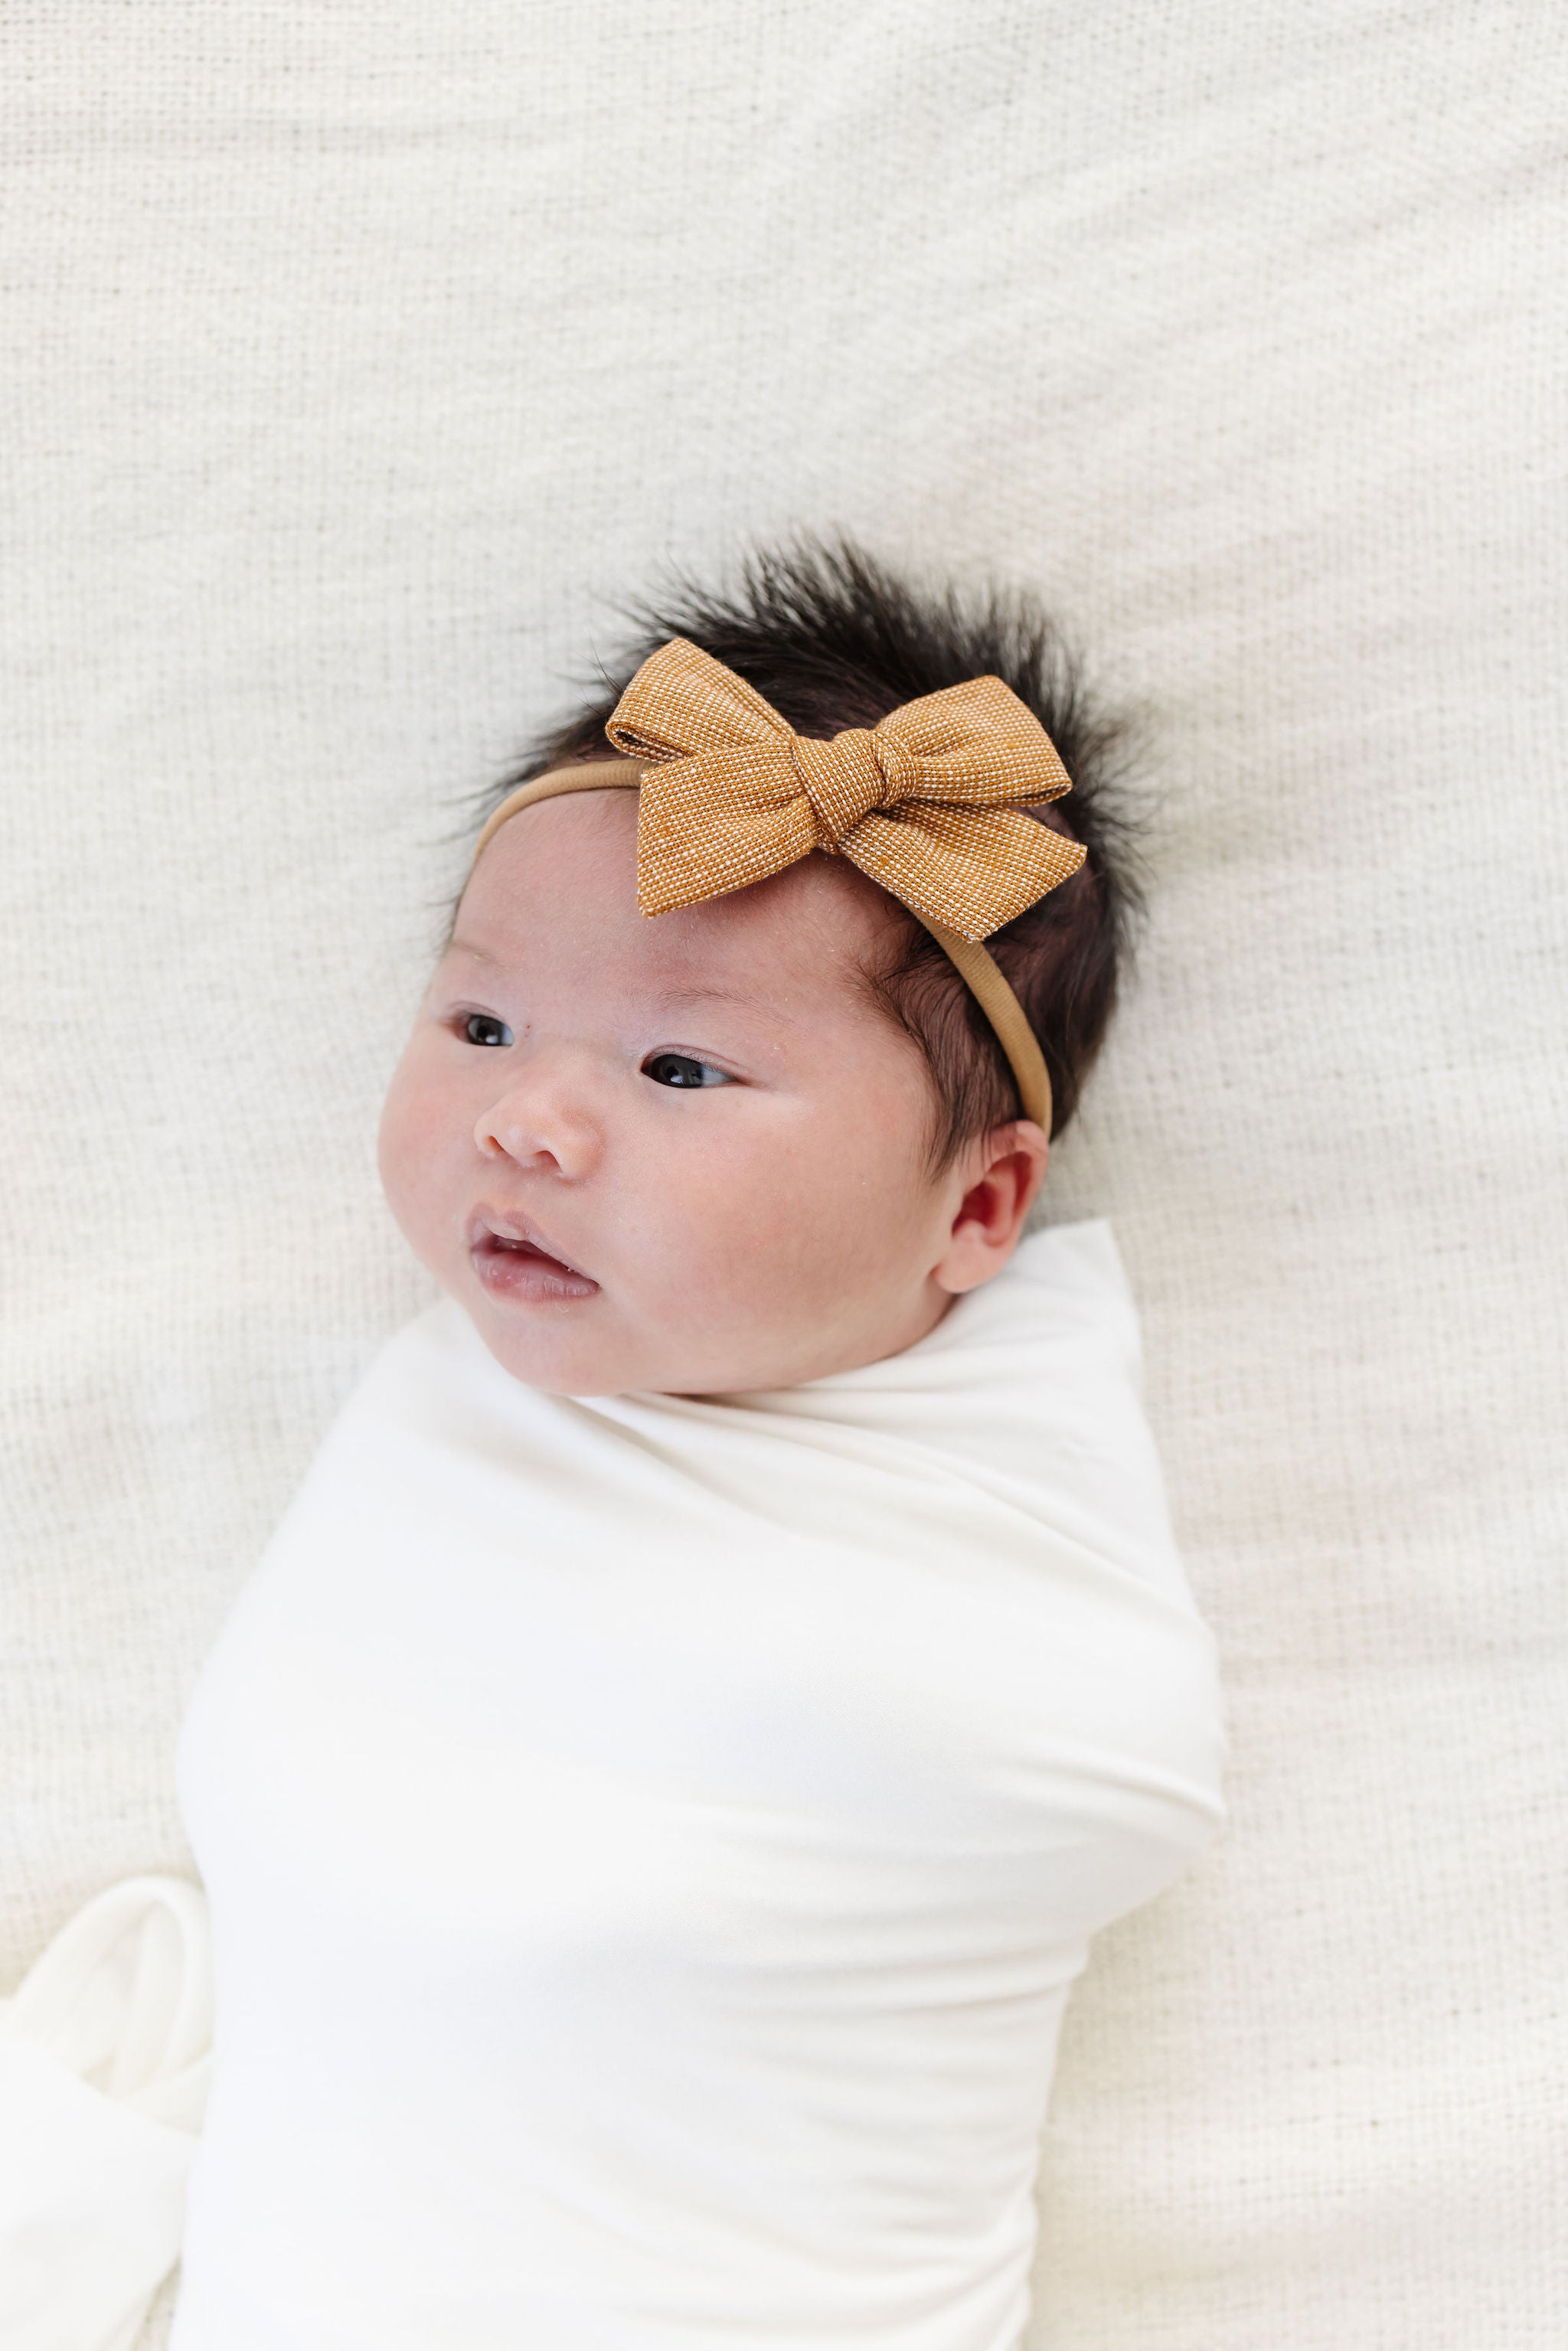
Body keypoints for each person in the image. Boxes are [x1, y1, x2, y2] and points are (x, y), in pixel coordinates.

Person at [167, 540, 1227, 2349]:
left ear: (976, 1214)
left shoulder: (993, 1517)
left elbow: (1090, 1772)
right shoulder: (452, 1395)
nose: (527, 1120)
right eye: (482, 1023)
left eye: (679, 1072)